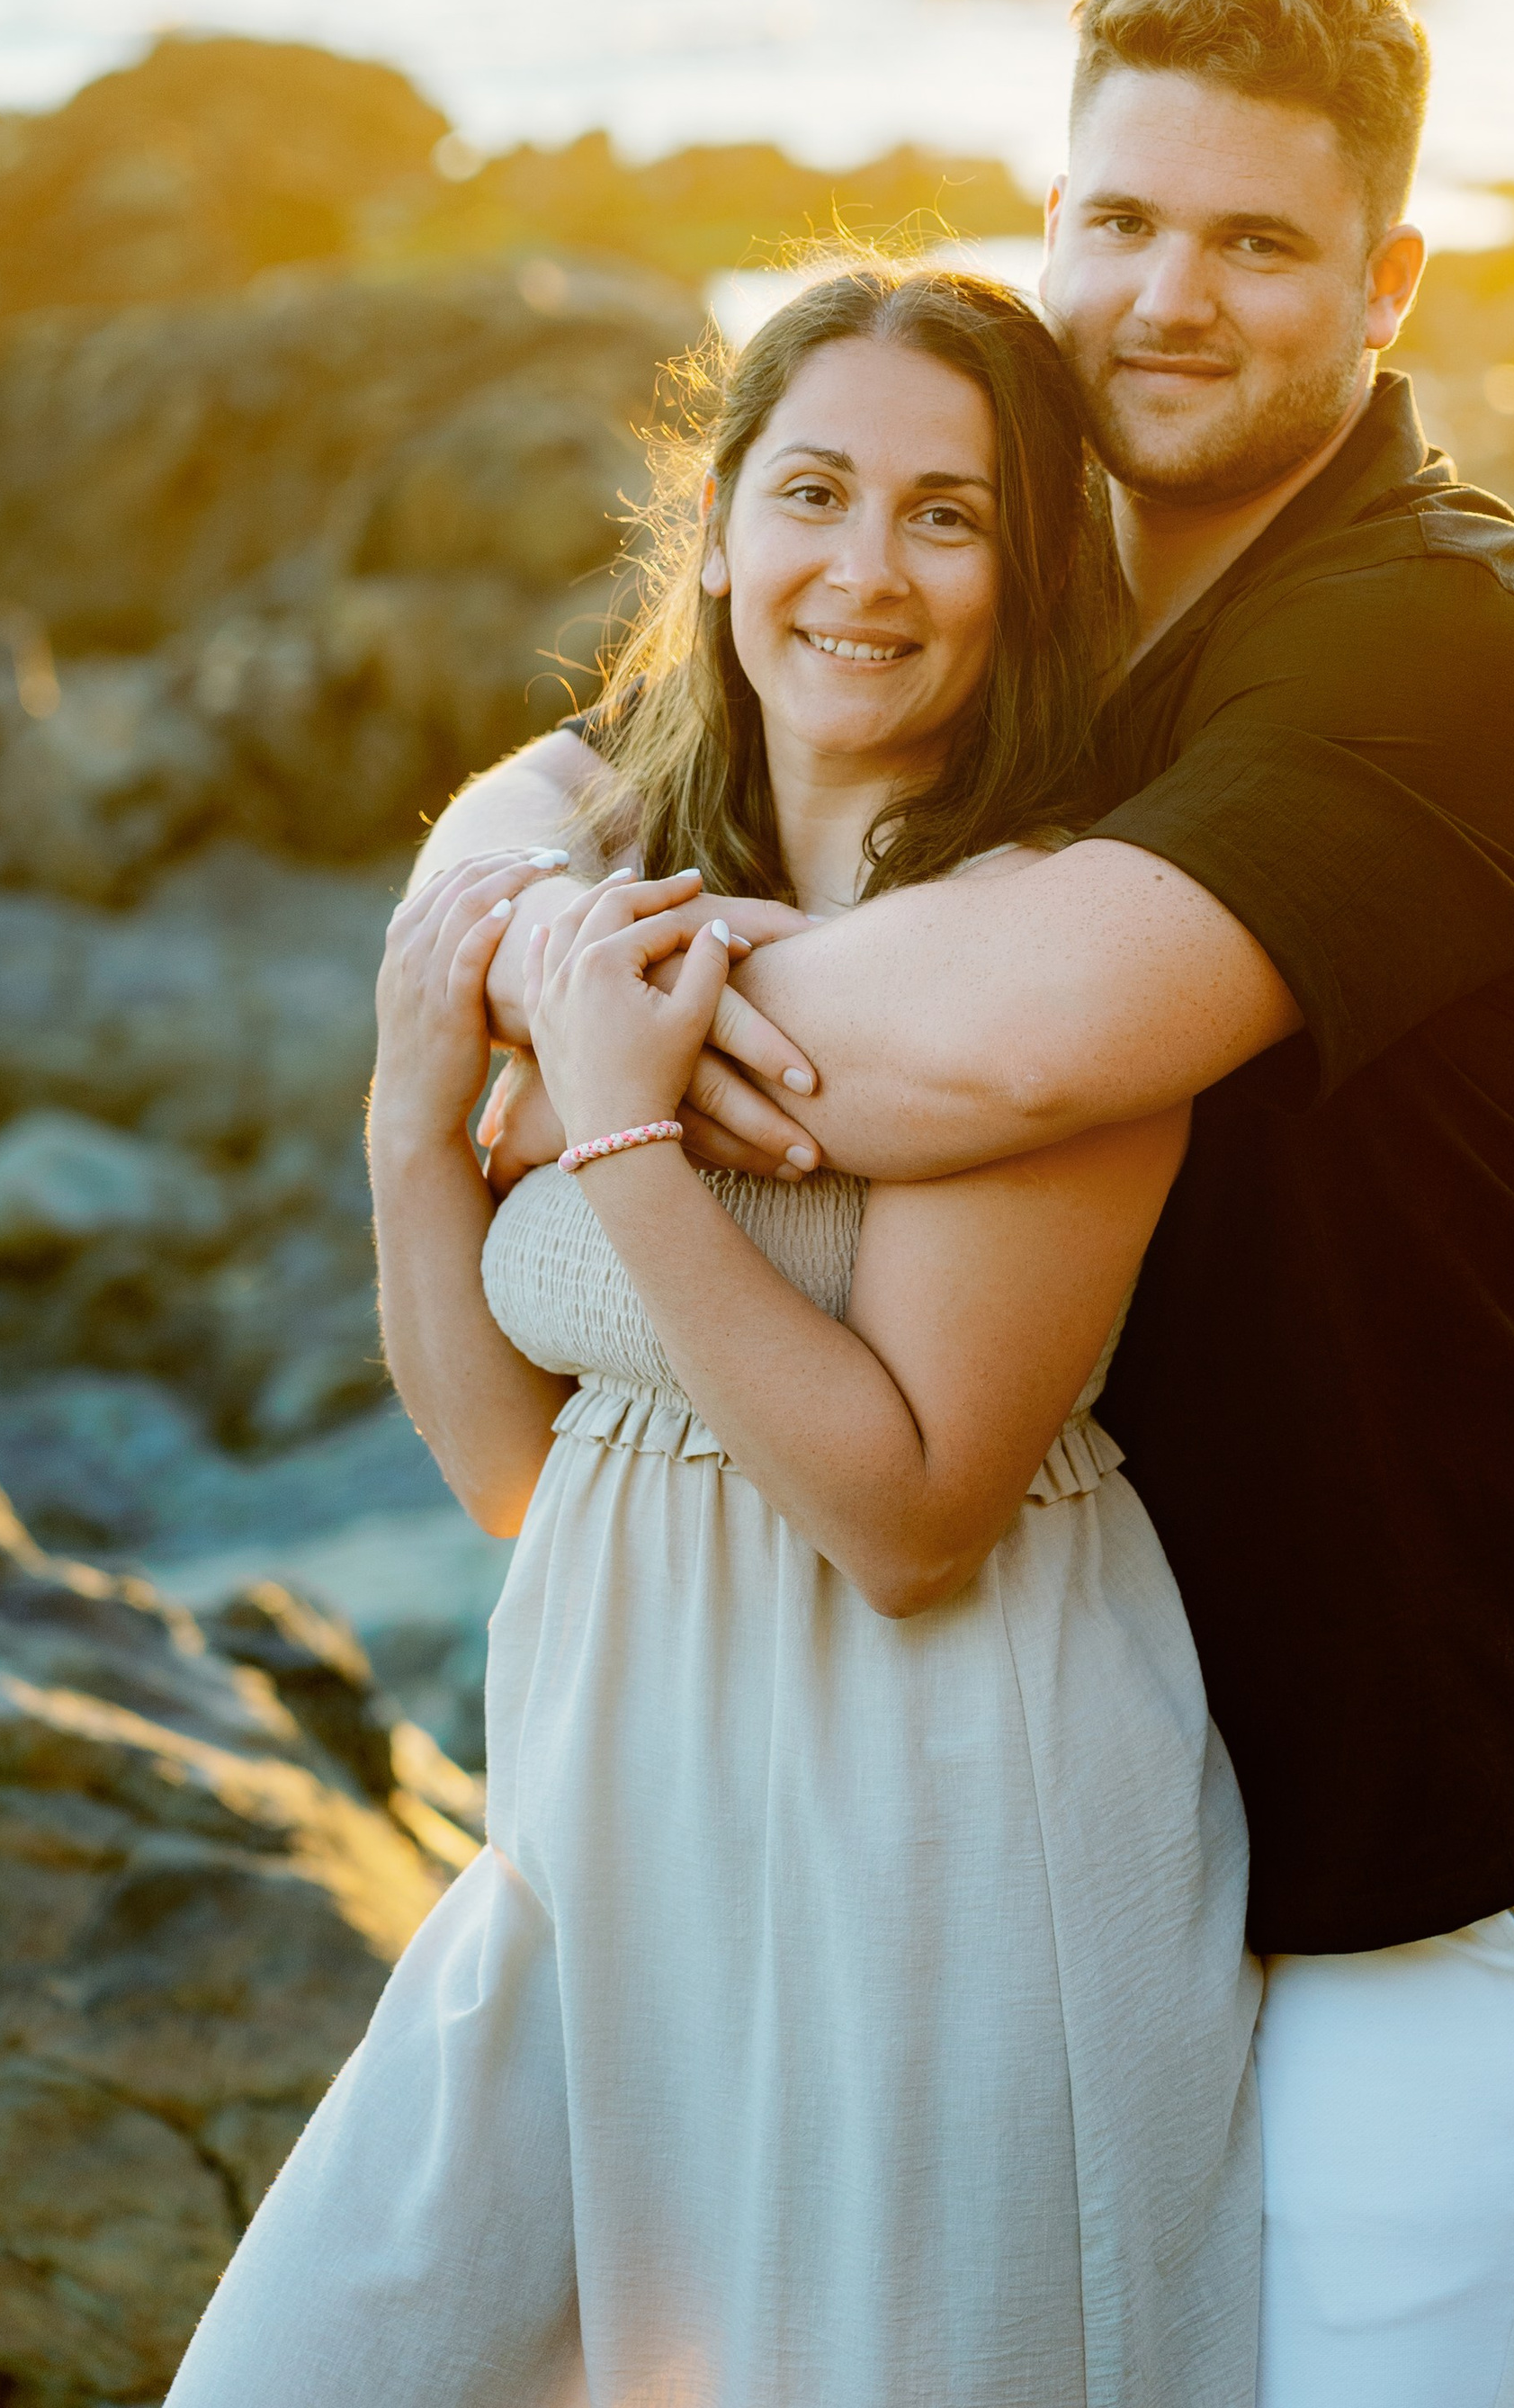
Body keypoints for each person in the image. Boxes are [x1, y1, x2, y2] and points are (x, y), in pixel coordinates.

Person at [442, 0, 1514, 2408]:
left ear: (1391, 277)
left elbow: (1004, 1054)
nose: (1167, 296)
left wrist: (590, 1029)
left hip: (1417, 1822)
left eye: (1256, 241)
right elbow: (594, 759)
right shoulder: (1038, 567)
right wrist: (506, 932)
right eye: (1117, 222)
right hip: (1079, 1799)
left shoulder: (1439, 638)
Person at [166, 266, 1262, 2408]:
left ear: (1027, 572)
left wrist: (625, 1130)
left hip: (939, 1823)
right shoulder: (617, 888)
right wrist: (415, 1111)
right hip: (606, 1826)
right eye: (815, 491)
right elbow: (521, 1473)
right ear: (718, 529)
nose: (864, 569)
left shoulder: (1046, 957)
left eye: (946, 516)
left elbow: (912, 1510)